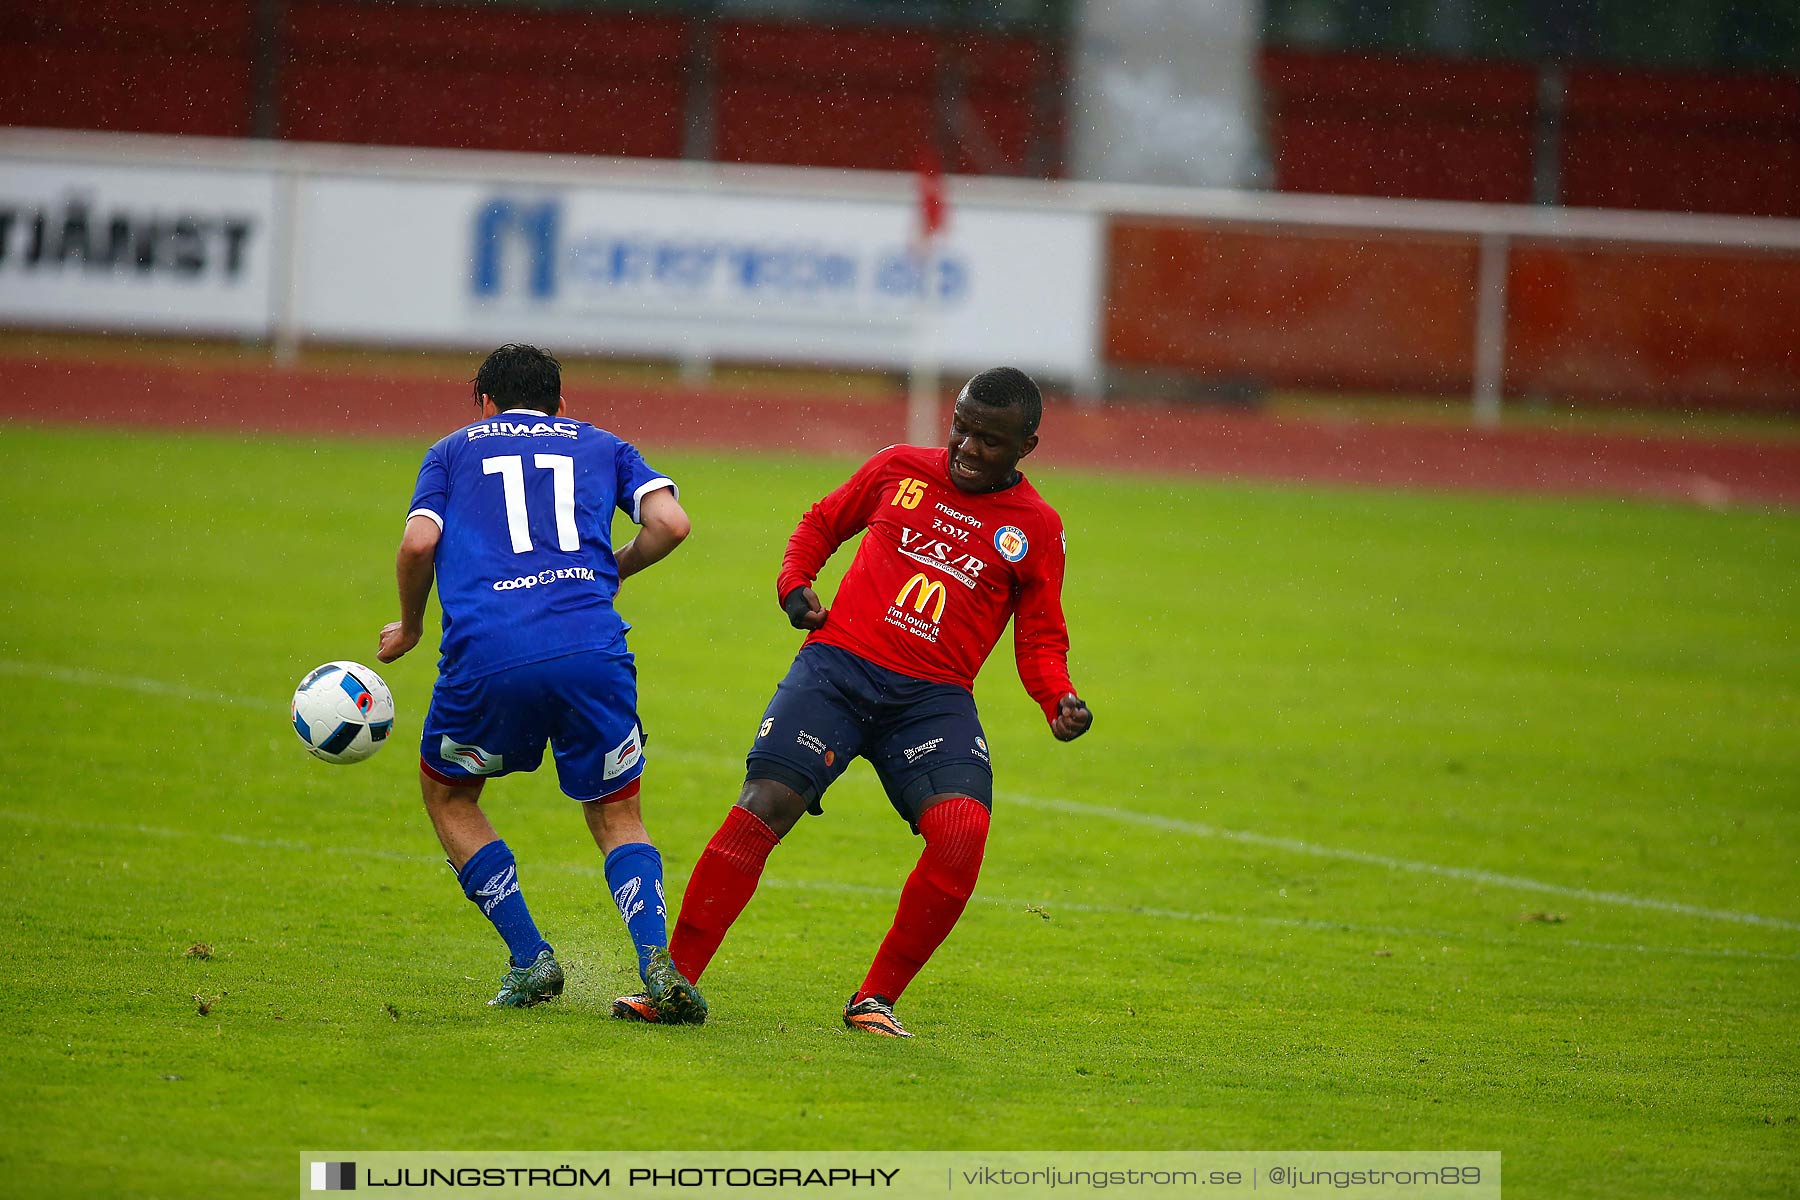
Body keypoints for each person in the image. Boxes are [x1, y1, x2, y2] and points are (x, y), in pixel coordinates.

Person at [627, 366, 1092, 1037]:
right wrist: (795, 584)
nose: (965, 446)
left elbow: (1041, 639)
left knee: (961, 833)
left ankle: (875, 1000)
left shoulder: (1036, 529)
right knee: (765, 804)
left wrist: (1058, 699)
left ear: (1027, 446)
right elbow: (821, 523)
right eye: (961, 426)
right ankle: (672, 983)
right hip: (836, 672)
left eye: (989, 440)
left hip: (932, 702)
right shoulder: (897, 468)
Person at [376, 343, 706, 1023]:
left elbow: (416, 545)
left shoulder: (451, 450)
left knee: (451, 794)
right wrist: (608, 572)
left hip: (488, 653)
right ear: (562, 403)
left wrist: (410, 627)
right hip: (592, 649)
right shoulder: (601, 443)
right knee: (618, 813)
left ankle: (531, 959)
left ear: (486, 405)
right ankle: (654, 960)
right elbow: (672, 523)